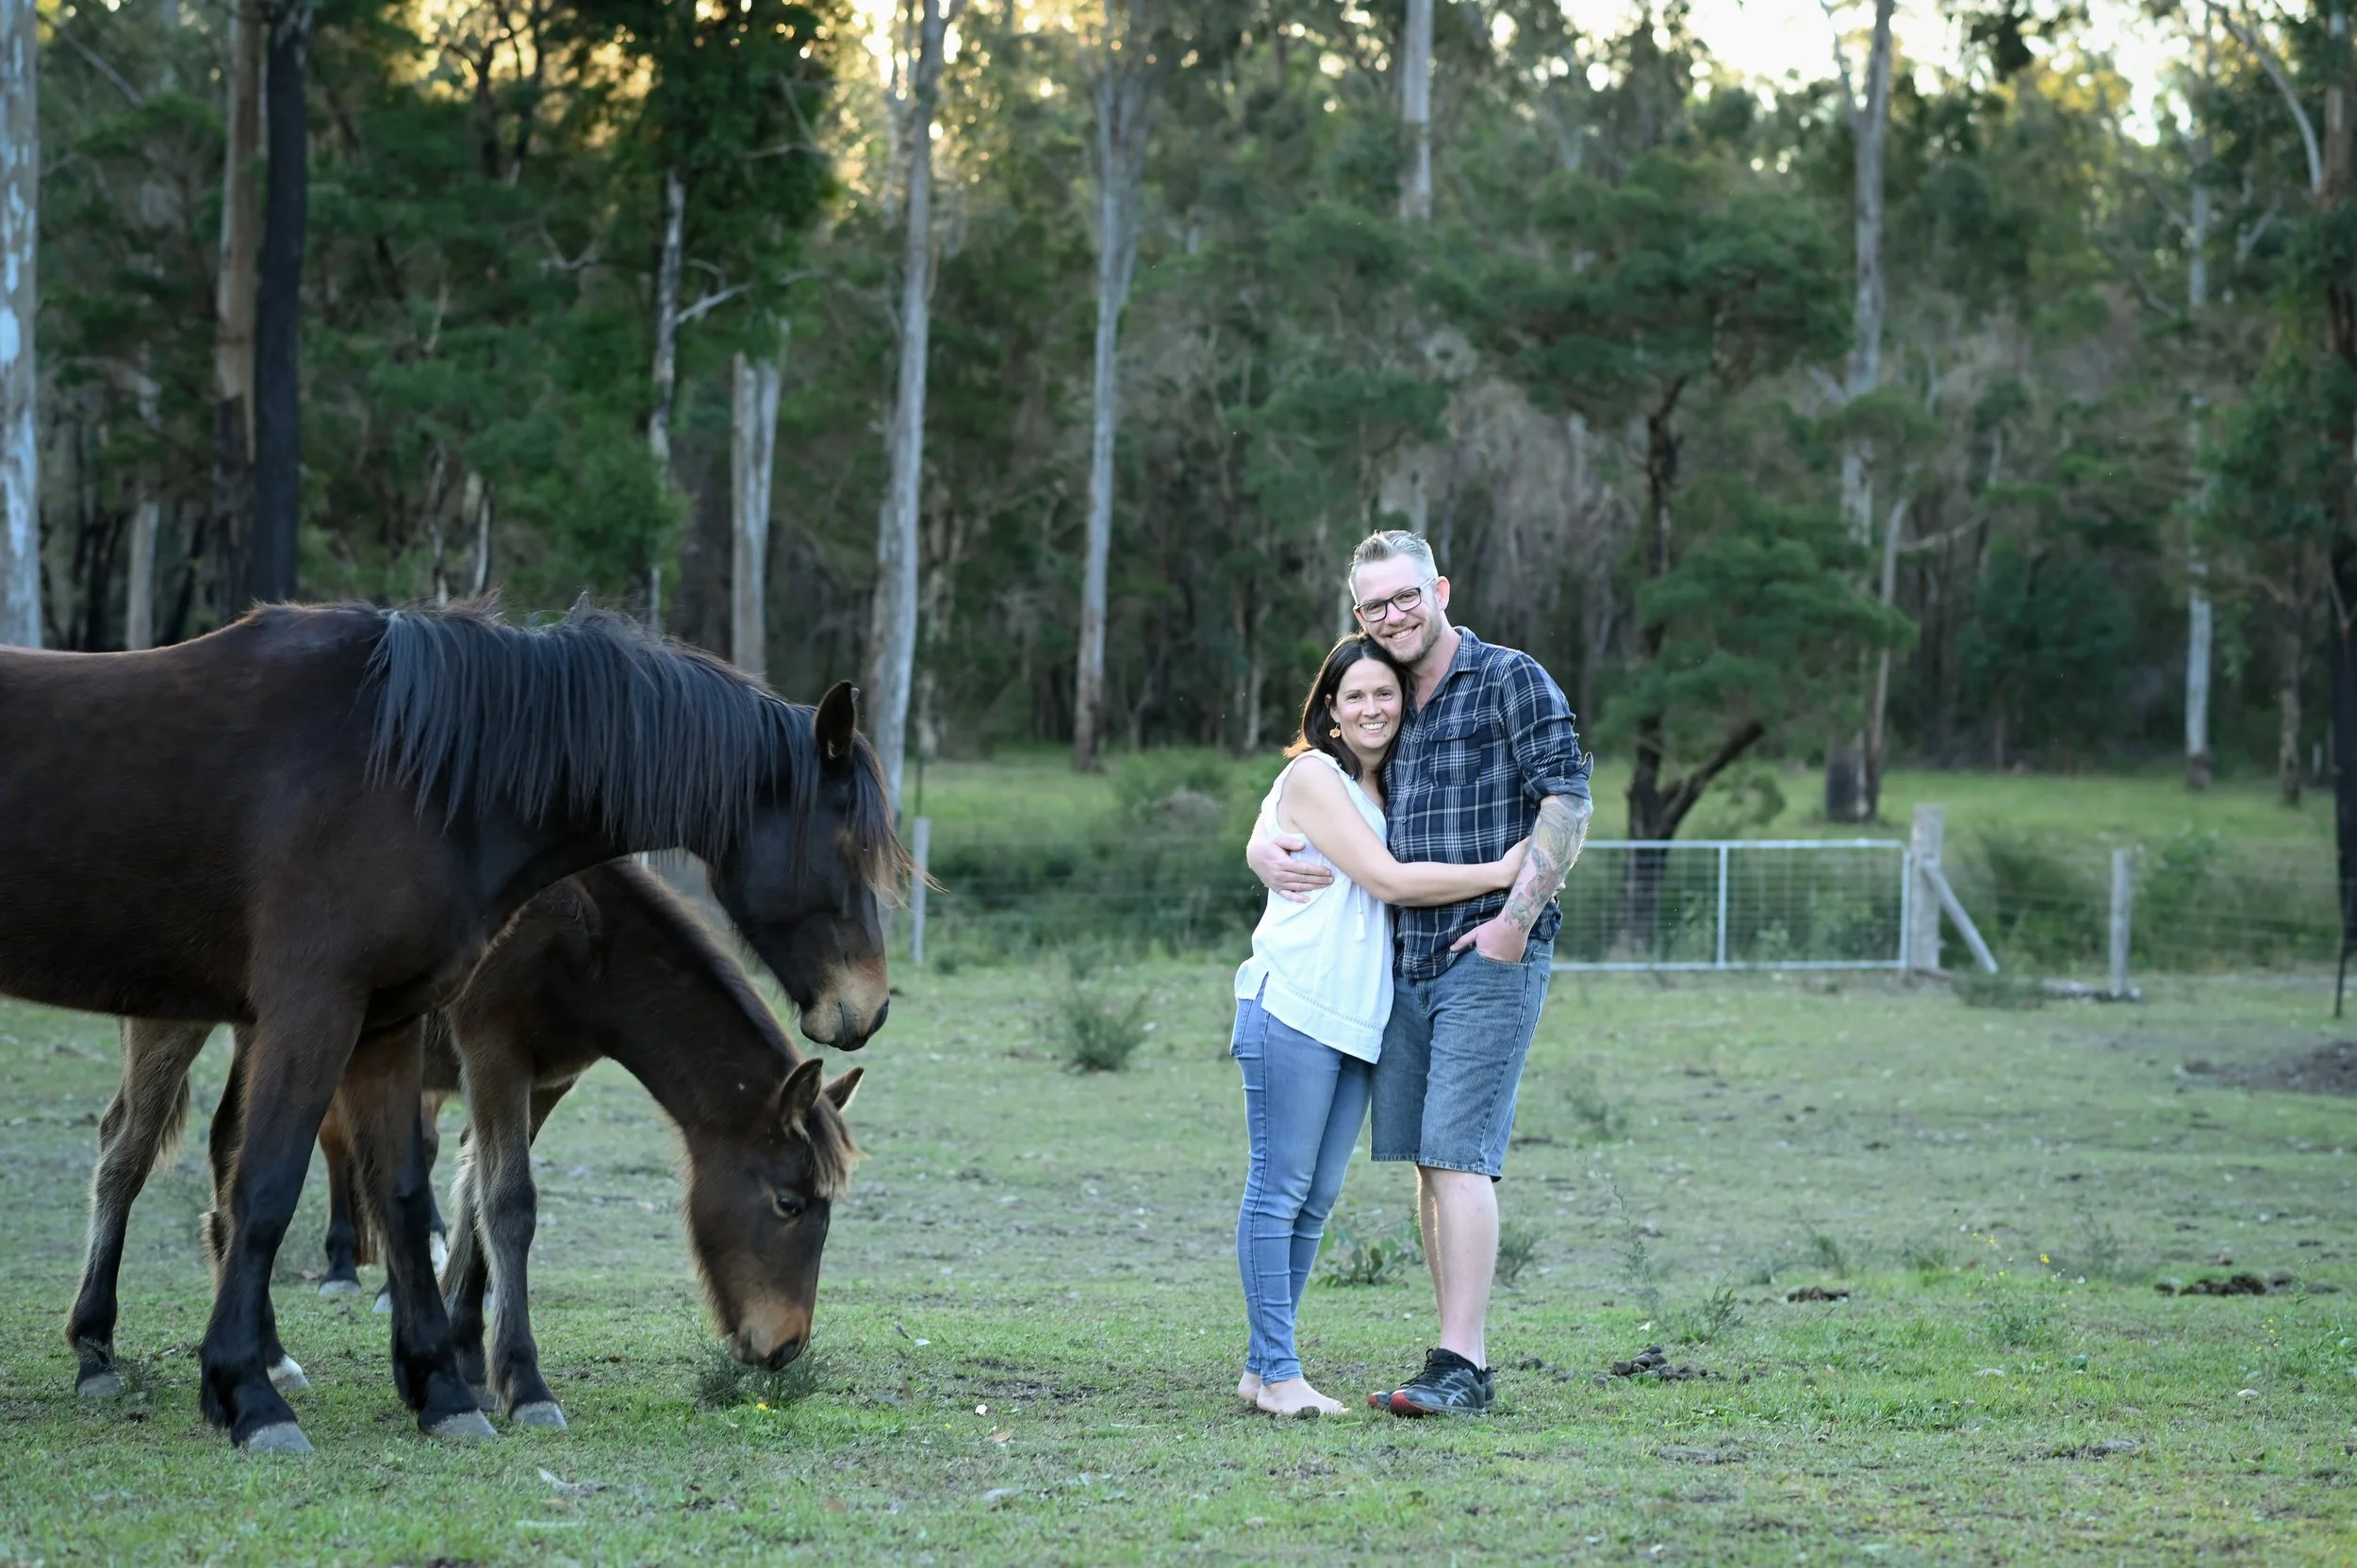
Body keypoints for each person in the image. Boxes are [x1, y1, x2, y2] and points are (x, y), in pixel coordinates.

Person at [1247, 530, 1591, 1416]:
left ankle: (1463, 1362)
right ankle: (1446, 1353)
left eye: (1406, 597)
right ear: (1358, 616)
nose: (1393, 615)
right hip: (1401, 964)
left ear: (1439, 588)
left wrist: (1514, 920)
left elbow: (1569, 799)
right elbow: (1316, 796)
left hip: (1487, 949)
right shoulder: (1389, 700)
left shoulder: (1510, 677)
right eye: (1374, 606)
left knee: (1458, 1152)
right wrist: (1259, 845)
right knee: (1426, 1163)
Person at [1228, 634, 1528, 1417]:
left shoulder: (1388, 786)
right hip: (1293, 1002)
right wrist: (1505, 872)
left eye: (1385, 694)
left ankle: (1265, 1369)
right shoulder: (1314, 773)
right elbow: (1389, 879)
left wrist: (1255, 843)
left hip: (1358, 1021)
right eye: (1354, 695)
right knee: (1279, 1188)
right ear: (1329, 707)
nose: (1372, 707)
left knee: (1316, 1196)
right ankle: (1278, 1371)